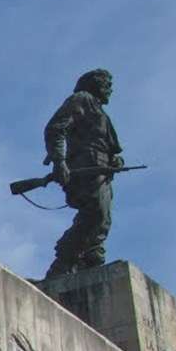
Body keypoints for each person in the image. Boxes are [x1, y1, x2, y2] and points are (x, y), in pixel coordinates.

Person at [42, 68, 124, 278]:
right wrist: (59, 161)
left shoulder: (99, 111)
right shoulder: (82, 99)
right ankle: (63, 264)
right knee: (96, 213)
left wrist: (115, 159)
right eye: (107, 85)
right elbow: (55, 129)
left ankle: (88, 260)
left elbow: (107, 146)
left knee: (102, 219)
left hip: (102, 172)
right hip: (83, 169)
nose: (110, 90)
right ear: (94, 84)